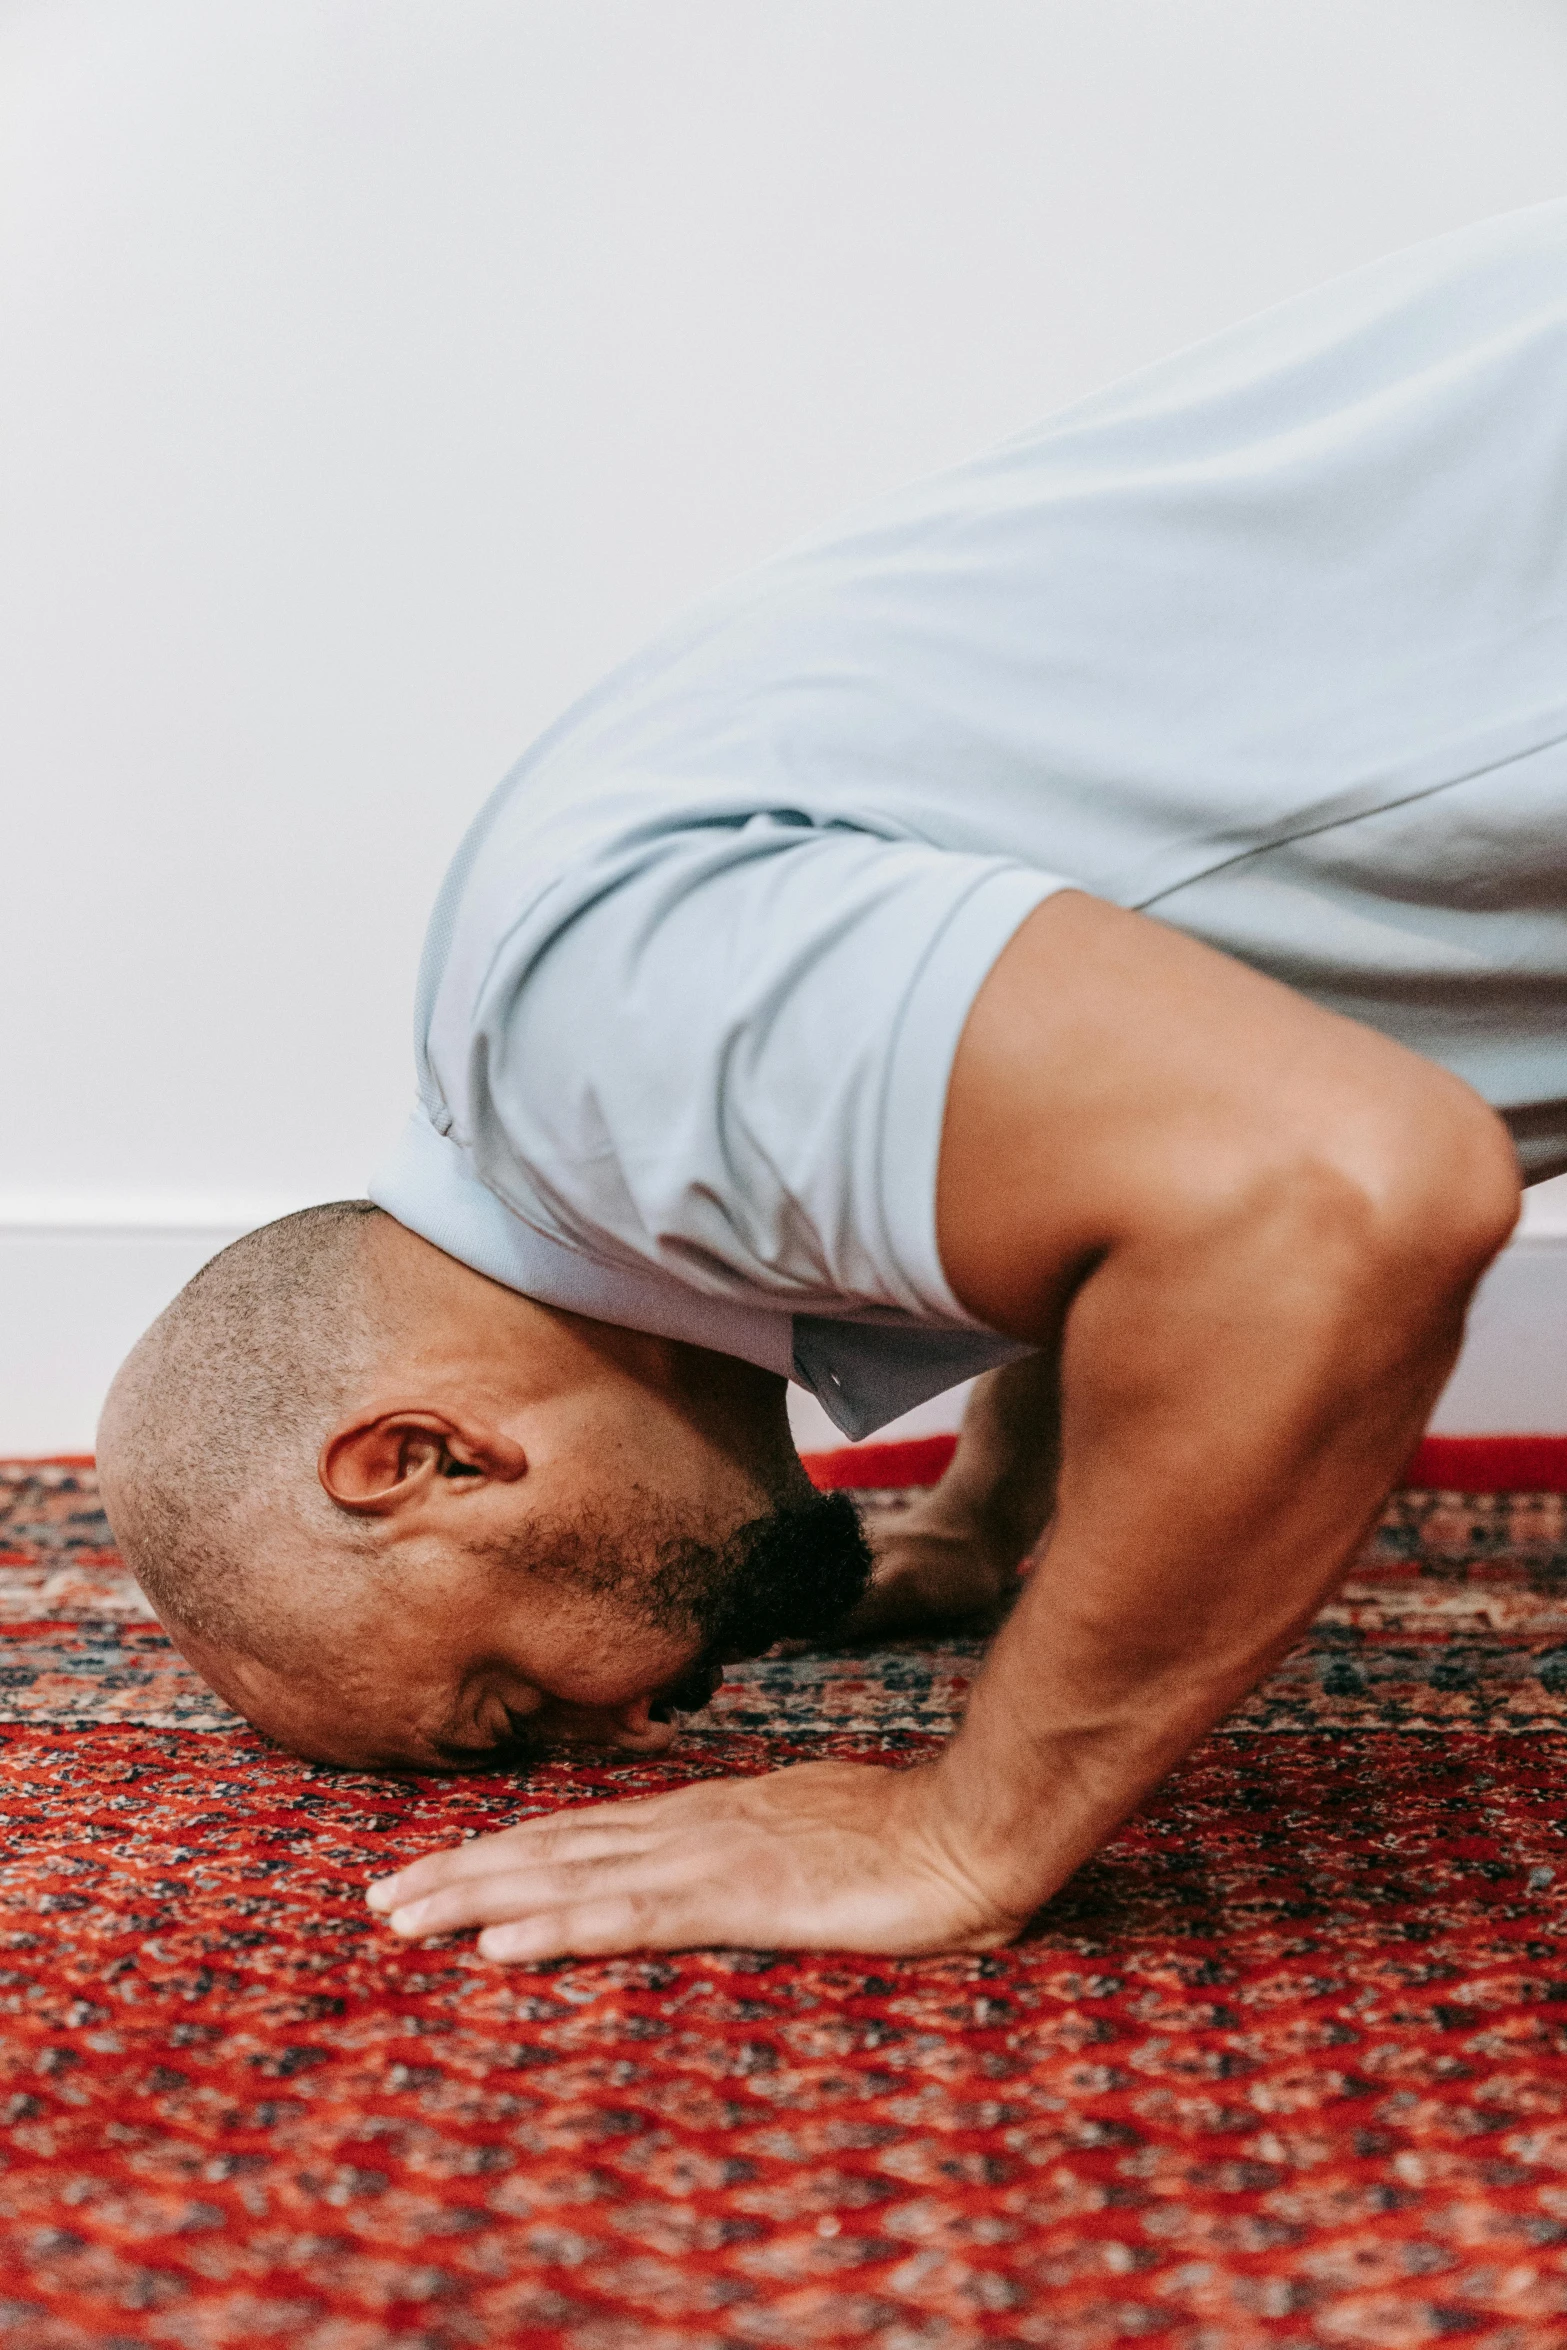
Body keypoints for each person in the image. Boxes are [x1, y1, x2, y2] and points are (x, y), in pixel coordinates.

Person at [100, 198, 1567, 1963]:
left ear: (419, 1457)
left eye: (501, 1710)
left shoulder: (595, 1030)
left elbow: (1338, 1191)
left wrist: (968, 1826)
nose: (612, 1746)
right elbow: (1115, 1106)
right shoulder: (606, 1075)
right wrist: (987, 1512)